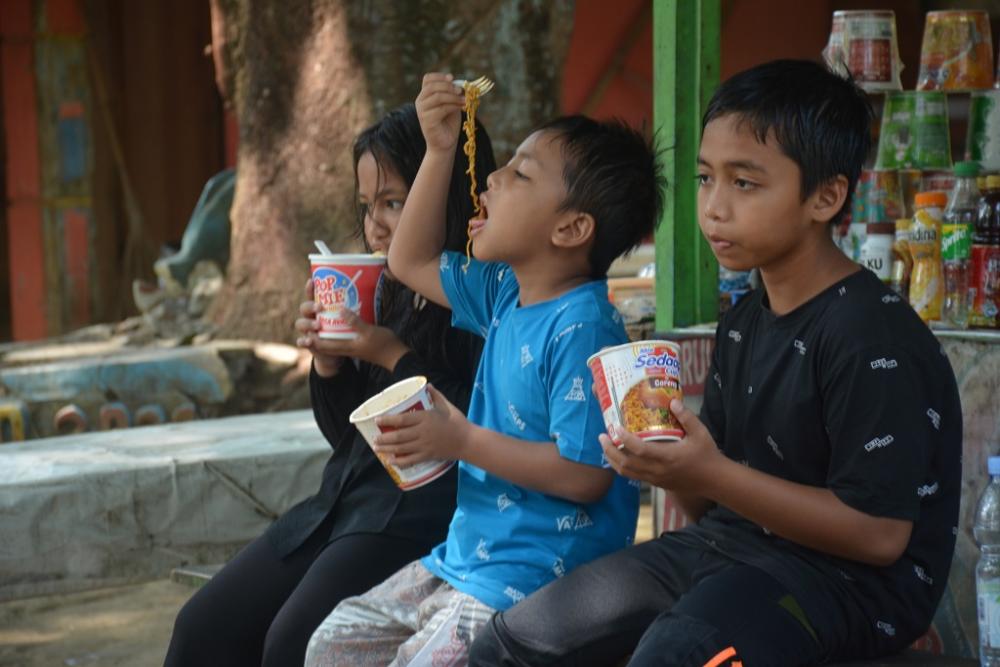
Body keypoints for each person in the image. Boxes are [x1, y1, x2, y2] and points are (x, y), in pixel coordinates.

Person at [468, 59, 964, 667]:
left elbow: (879, 535)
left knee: (677, 654)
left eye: (744, 183)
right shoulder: (745, 321)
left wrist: (709, 473)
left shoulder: (871, 335)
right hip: (726, 547)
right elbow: (715, 499)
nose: (714, 208)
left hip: (845, 585)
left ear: (826, 196)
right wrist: (668, 462)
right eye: (705, 178)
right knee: (511, 642)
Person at [303, 73, 665, 666]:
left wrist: (461, 439)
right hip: (464, 559)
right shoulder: (503, 292)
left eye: (520, 174)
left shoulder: (584, 326)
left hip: (534, 580)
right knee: (333, 645)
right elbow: (408, 259)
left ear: (570, 229)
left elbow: (585, 476)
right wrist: (440, 148)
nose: (492, 179)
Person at [163, 103, 495, 667]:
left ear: (446, 193)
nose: (375, 225)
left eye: (393, 202)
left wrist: (388, 353)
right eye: (367, 206)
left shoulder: (483, 296)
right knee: (202, 627)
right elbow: (349, 437)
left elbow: (476, 419)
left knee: (291, 642)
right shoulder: (389, 290)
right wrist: (330, 363)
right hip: (344, 503)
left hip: (424, 516)